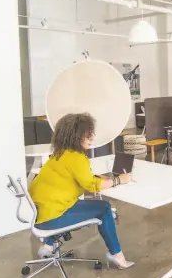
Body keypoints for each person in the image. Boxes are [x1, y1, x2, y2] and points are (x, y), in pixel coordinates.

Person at [29, 113, 135, 269]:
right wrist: (120, 180)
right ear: (75, 137)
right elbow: (92, 186)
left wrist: (96, 178)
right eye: (87, 135)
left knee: (74, 203)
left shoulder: (59, 154)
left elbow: (77, 179)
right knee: (104, 208)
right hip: (52, 218)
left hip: (40, 213)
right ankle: (116, 255)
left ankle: (48, 245)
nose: (90, 138)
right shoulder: (76, 158)